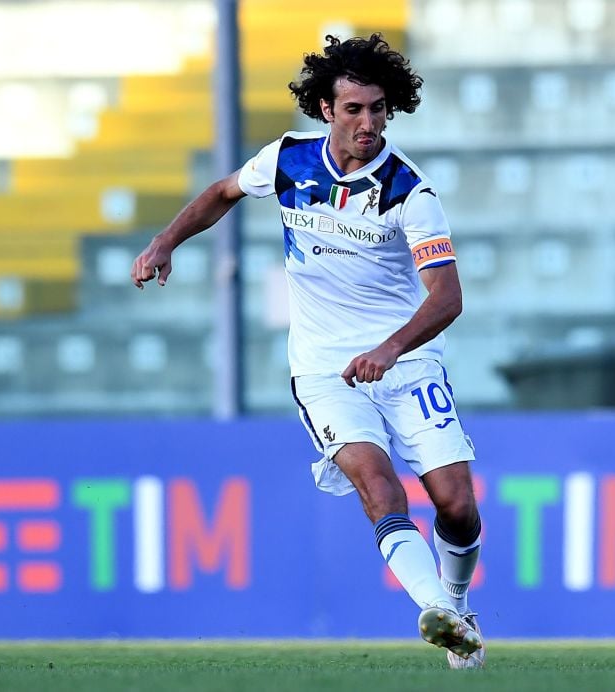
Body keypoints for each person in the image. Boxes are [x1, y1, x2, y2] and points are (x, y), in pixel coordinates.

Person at [130, 34, 484, 668]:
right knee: (379, 486)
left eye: (378, 108)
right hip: (323, 369)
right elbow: (221, 194)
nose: (368, 122)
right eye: (354, 109)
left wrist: (391, 346)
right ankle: (441, 618)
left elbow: (447, 297)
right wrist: (165, 242)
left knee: (456, 503)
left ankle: (455, 601)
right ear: (325, 108)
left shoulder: (410, 191)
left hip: (404, 361)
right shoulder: (288, 161)